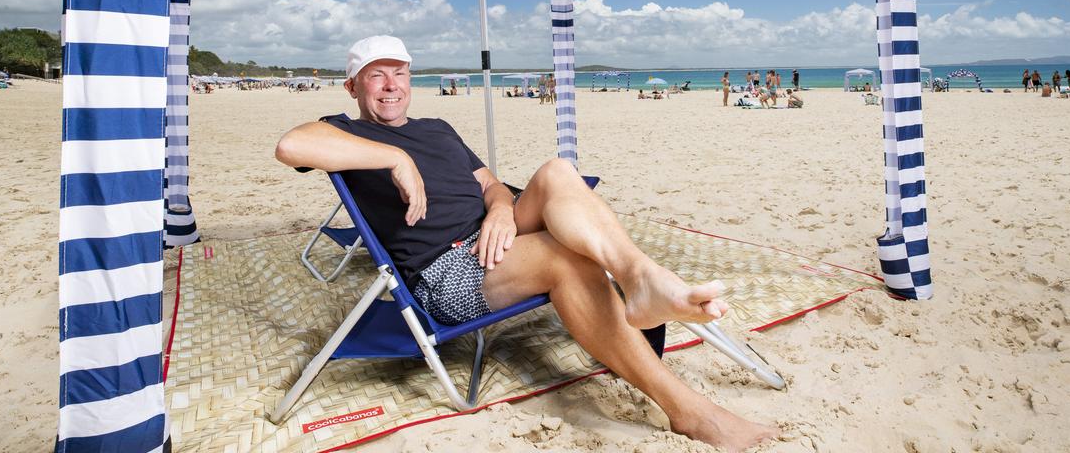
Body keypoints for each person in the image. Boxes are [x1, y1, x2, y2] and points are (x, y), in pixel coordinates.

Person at [276, 36, 775, 450]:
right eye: (375, 75)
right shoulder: (342, 130)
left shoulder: (438, 127)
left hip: (496, 231)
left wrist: (497, 208)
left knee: (558, 170)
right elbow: (290, 145)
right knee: (568, 259)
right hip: (447, 269)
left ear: (410, 80)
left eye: (399, 73)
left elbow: (491, 182)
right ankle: (689, 411)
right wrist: (394, 159)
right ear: (353, 86)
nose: (390, 86)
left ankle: (639, 277)